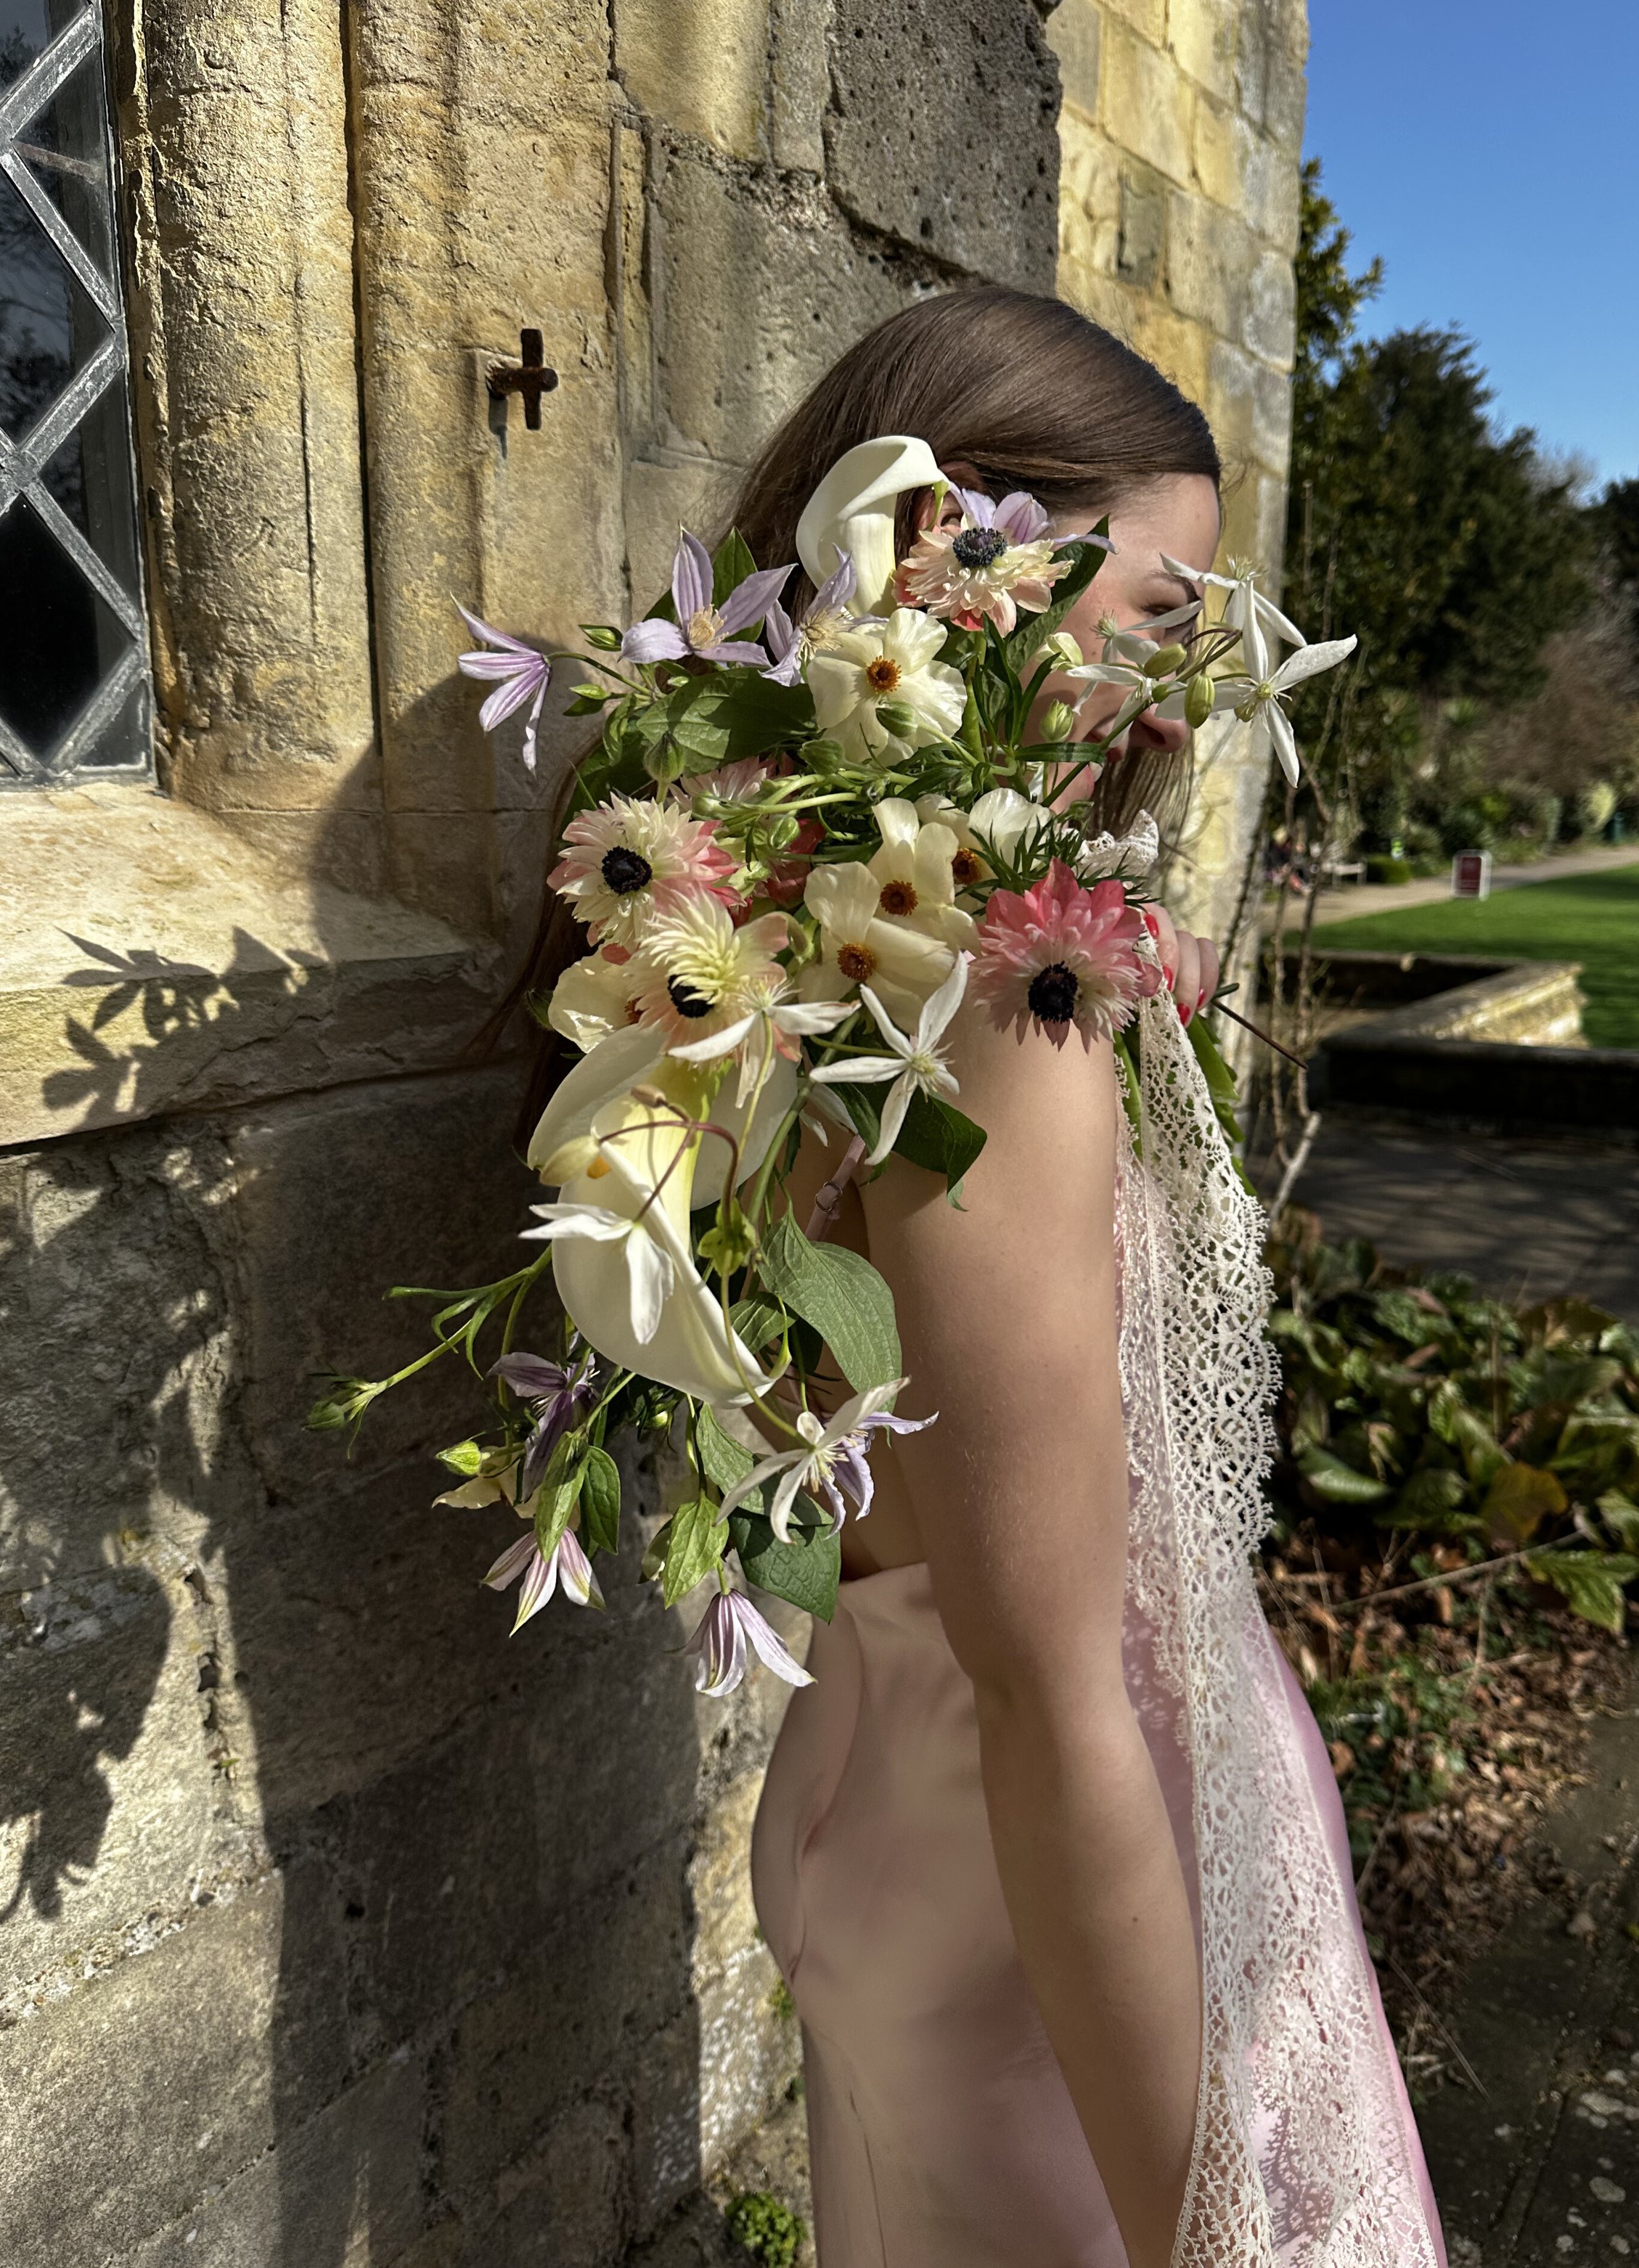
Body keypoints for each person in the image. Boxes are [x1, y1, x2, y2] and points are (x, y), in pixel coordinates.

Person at [523, 290, 1445, 2268]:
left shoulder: (742, 987)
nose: (1190, 691)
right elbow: (1045, 1683)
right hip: (1045, 1888)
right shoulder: (978, 998)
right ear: (943, 550)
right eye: (1157, 615)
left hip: (888, 1804)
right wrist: (1217, 2233)